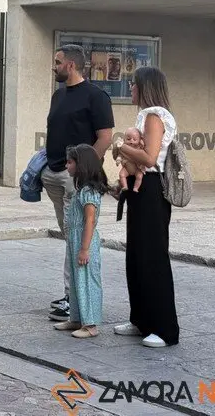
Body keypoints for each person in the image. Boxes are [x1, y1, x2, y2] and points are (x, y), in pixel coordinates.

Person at [43, 44, 113, 322]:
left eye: (57, 62)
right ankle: (73, 294)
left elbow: (105, 136)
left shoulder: (96, 96)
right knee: (68, 236)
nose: (54, 66)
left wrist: (84, 171)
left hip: (77, 180)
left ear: (71, 65)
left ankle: (74, 299)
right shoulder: (58, 96)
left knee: (76, 235)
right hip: (54, 174)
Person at [112, 67, 179, 348]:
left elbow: (150, 158)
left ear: (145, 86)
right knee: (136, 257)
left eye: (133, 84)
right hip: (140, 191)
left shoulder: (154, 115)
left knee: (152, 258)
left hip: (151, 189)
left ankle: (164, 328)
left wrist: (120, 146)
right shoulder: (146, 114)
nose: (131, 88)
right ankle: (140, 319)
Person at [53, 144, 106, 339]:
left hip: (85, 241)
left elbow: (90, 220)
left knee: (86, 281)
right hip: (76, 240)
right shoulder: (81, 189)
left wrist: (84, 249)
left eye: (70, 162)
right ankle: (76, 318)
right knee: (76, 281)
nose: (67, 166)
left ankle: (90, 324)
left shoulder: (88, 191)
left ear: (81, 164)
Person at [116, 127, 146, 192]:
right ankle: (124, 186)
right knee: (121, 174)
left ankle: (136, 187)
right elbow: (120, 155)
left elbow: (142, 154)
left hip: (136, 169)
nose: (131, 141)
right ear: (124, 139)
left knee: (139, 176)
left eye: (134, 139)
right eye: (128, 139)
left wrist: (142, 143)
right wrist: (118, 159)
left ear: (139, 140)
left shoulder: (139, 148)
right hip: (127, 168)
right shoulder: (123, 147)